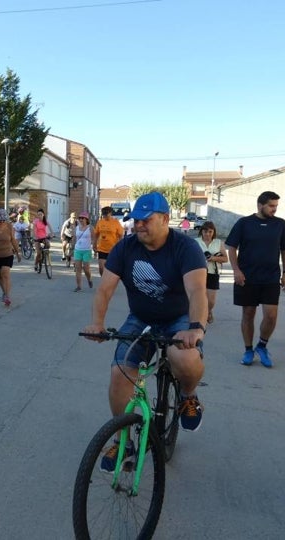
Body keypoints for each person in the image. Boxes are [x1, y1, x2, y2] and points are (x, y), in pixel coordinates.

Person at [83, 192, 207, 471]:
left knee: (184, 358)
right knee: (120, 372)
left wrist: (196, 327)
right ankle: (123, 440)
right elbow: (105, 289)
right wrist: (97, 324)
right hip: (141, 319)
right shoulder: (125, 248)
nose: (138, 225)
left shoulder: (185, 248)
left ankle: (188, 396)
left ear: (165, 219)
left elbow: (197, 290)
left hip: (179, 318)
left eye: (146, 220)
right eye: (135, 220)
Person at [225, 191, 285, 368]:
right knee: (248, 314)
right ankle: (248, 350)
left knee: (271, 316)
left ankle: (262, 346)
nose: (274, 209)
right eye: (271, 206)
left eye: (276, 206)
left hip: (270, 277)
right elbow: (231, 247)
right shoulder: (244, 223)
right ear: (260, 205)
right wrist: (236, 271)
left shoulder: (280, 224)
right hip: (247, 277)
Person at [195, 221, 228, 324]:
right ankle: (201, 315)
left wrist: (213, 258)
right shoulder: (195, 242)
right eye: (205, 231)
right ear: (202, 231)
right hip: (198, 272)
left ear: (214, 232)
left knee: (211, 300)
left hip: (213, 273)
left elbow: (225, 258)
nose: (208, 234)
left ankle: (208, 311)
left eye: (210, 231)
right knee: (198, 296)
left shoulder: (219, 243)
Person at [93, 206, 124, 277]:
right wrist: (94, 244)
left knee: (110, 269)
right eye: (103, 214)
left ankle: (108, 282)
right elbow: (96, 234)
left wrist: (120, 246)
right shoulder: (100, 222)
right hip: (101, 248)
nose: (104, 215)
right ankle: (104, 279)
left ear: (110, 213)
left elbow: (121, 235)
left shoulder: (116, 222)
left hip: (112, 249)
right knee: (101, 268)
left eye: (106, 214)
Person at [73, 211, 94, 292]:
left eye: (83, 218)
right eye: (80, 218)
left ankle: (89, 279)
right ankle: (78, 286)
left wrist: (94, 248)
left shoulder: (90, 228)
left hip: (87, 251)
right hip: (77, 250)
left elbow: (94, 238)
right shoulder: (76, 228)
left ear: (86, 219)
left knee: (86, 269)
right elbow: (74, 238)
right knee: (78, 269)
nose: (81, 220)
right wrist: (72, 249)